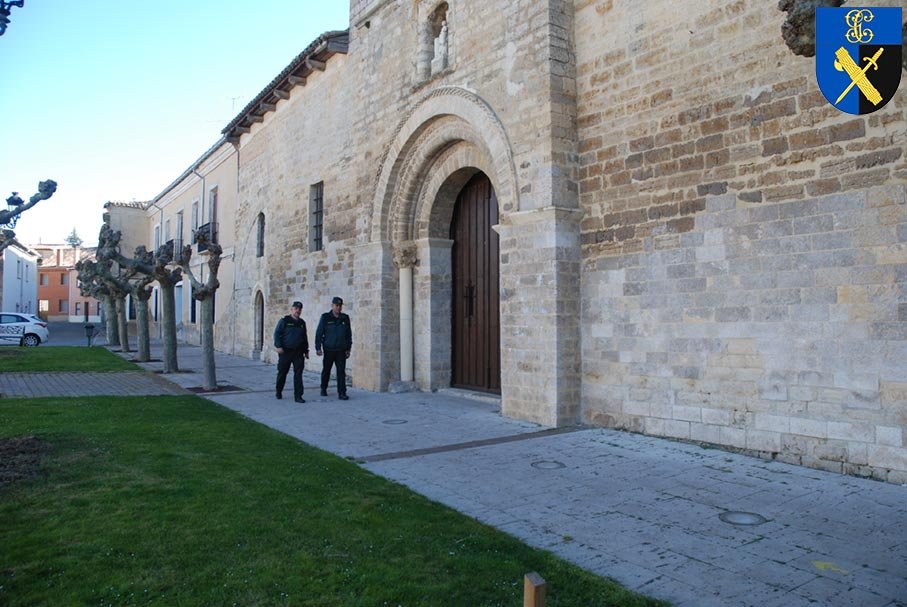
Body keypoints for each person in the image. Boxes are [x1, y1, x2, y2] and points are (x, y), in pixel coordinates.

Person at [315, 296, 352, 400]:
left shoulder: (345, 318)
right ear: (332, 305)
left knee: (341, 371)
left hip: (341, 350)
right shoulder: (325, 317)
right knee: (326, 370)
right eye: (336, 305)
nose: (338, 308)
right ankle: (323, 388)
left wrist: (348, 348)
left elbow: (348, 334)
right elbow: (319, 333)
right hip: (329, 349)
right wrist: (318, 347)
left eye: (340, 306)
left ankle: (342, 393)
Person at [274, 301, 309, 403]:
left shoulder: (302, 323)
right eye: (296, 308)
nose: (297, 311)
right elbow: (277, 333)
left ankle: (298, 396)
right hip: (286, 351)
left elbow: (304, 338)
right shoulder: (284, 321)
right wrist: (278, 346)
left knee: (298, 374)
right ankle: (278, 390)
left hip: (298, 352)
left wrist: (306, 351)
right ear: (292, 309)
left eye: (299, 309)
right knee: (282, 372)